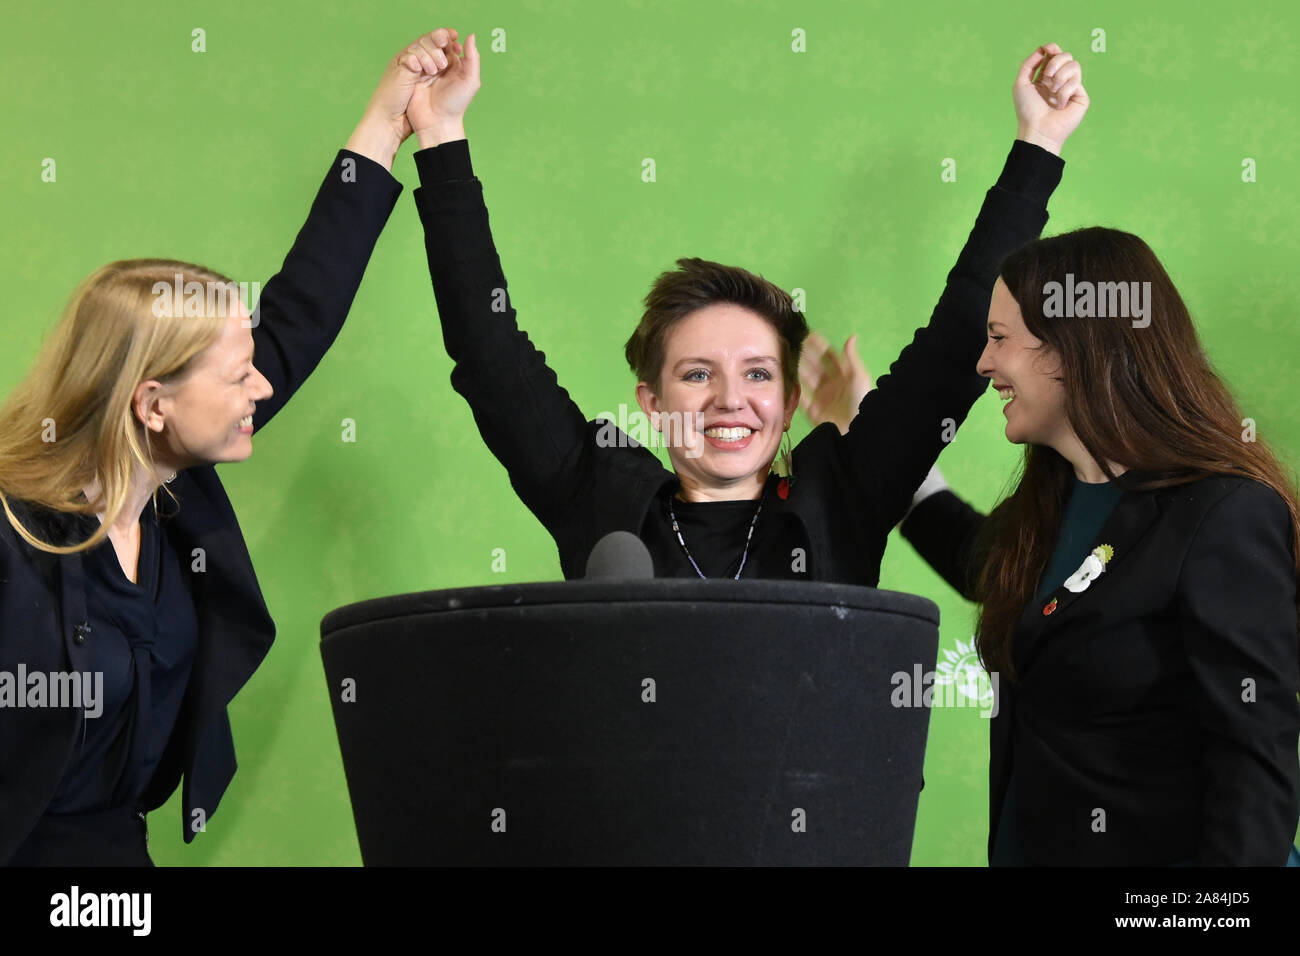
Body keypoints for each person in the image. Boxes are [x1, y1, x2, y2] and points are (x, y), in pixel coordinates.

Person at [0, 29, 464, 866]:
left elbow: (303, 309)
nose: (262, 389)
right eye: (242, 375)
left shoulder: (177, 496)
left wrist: (386, 121)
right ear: (151, 403)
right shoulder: (13, 534)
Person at [407, 36, 1087, 585]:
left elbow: (956, 342)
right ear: (650, 400)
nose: (731, 400)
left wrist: (1038, 145)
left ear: (792, 401)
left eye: (759, 375)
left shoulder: (844, 494)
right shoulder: (599, 496)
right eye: (698, 375)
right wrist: (440, 138)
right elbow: (489, 353)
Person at [800, 229, 1300, 865]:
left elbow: (1256, 757)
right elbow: (988, 567)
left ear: (1076, 346)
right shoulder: (1055, 502)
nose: (984, 364)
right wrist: (873, 439)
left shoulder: (1225, 513)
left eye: (1000, 338)